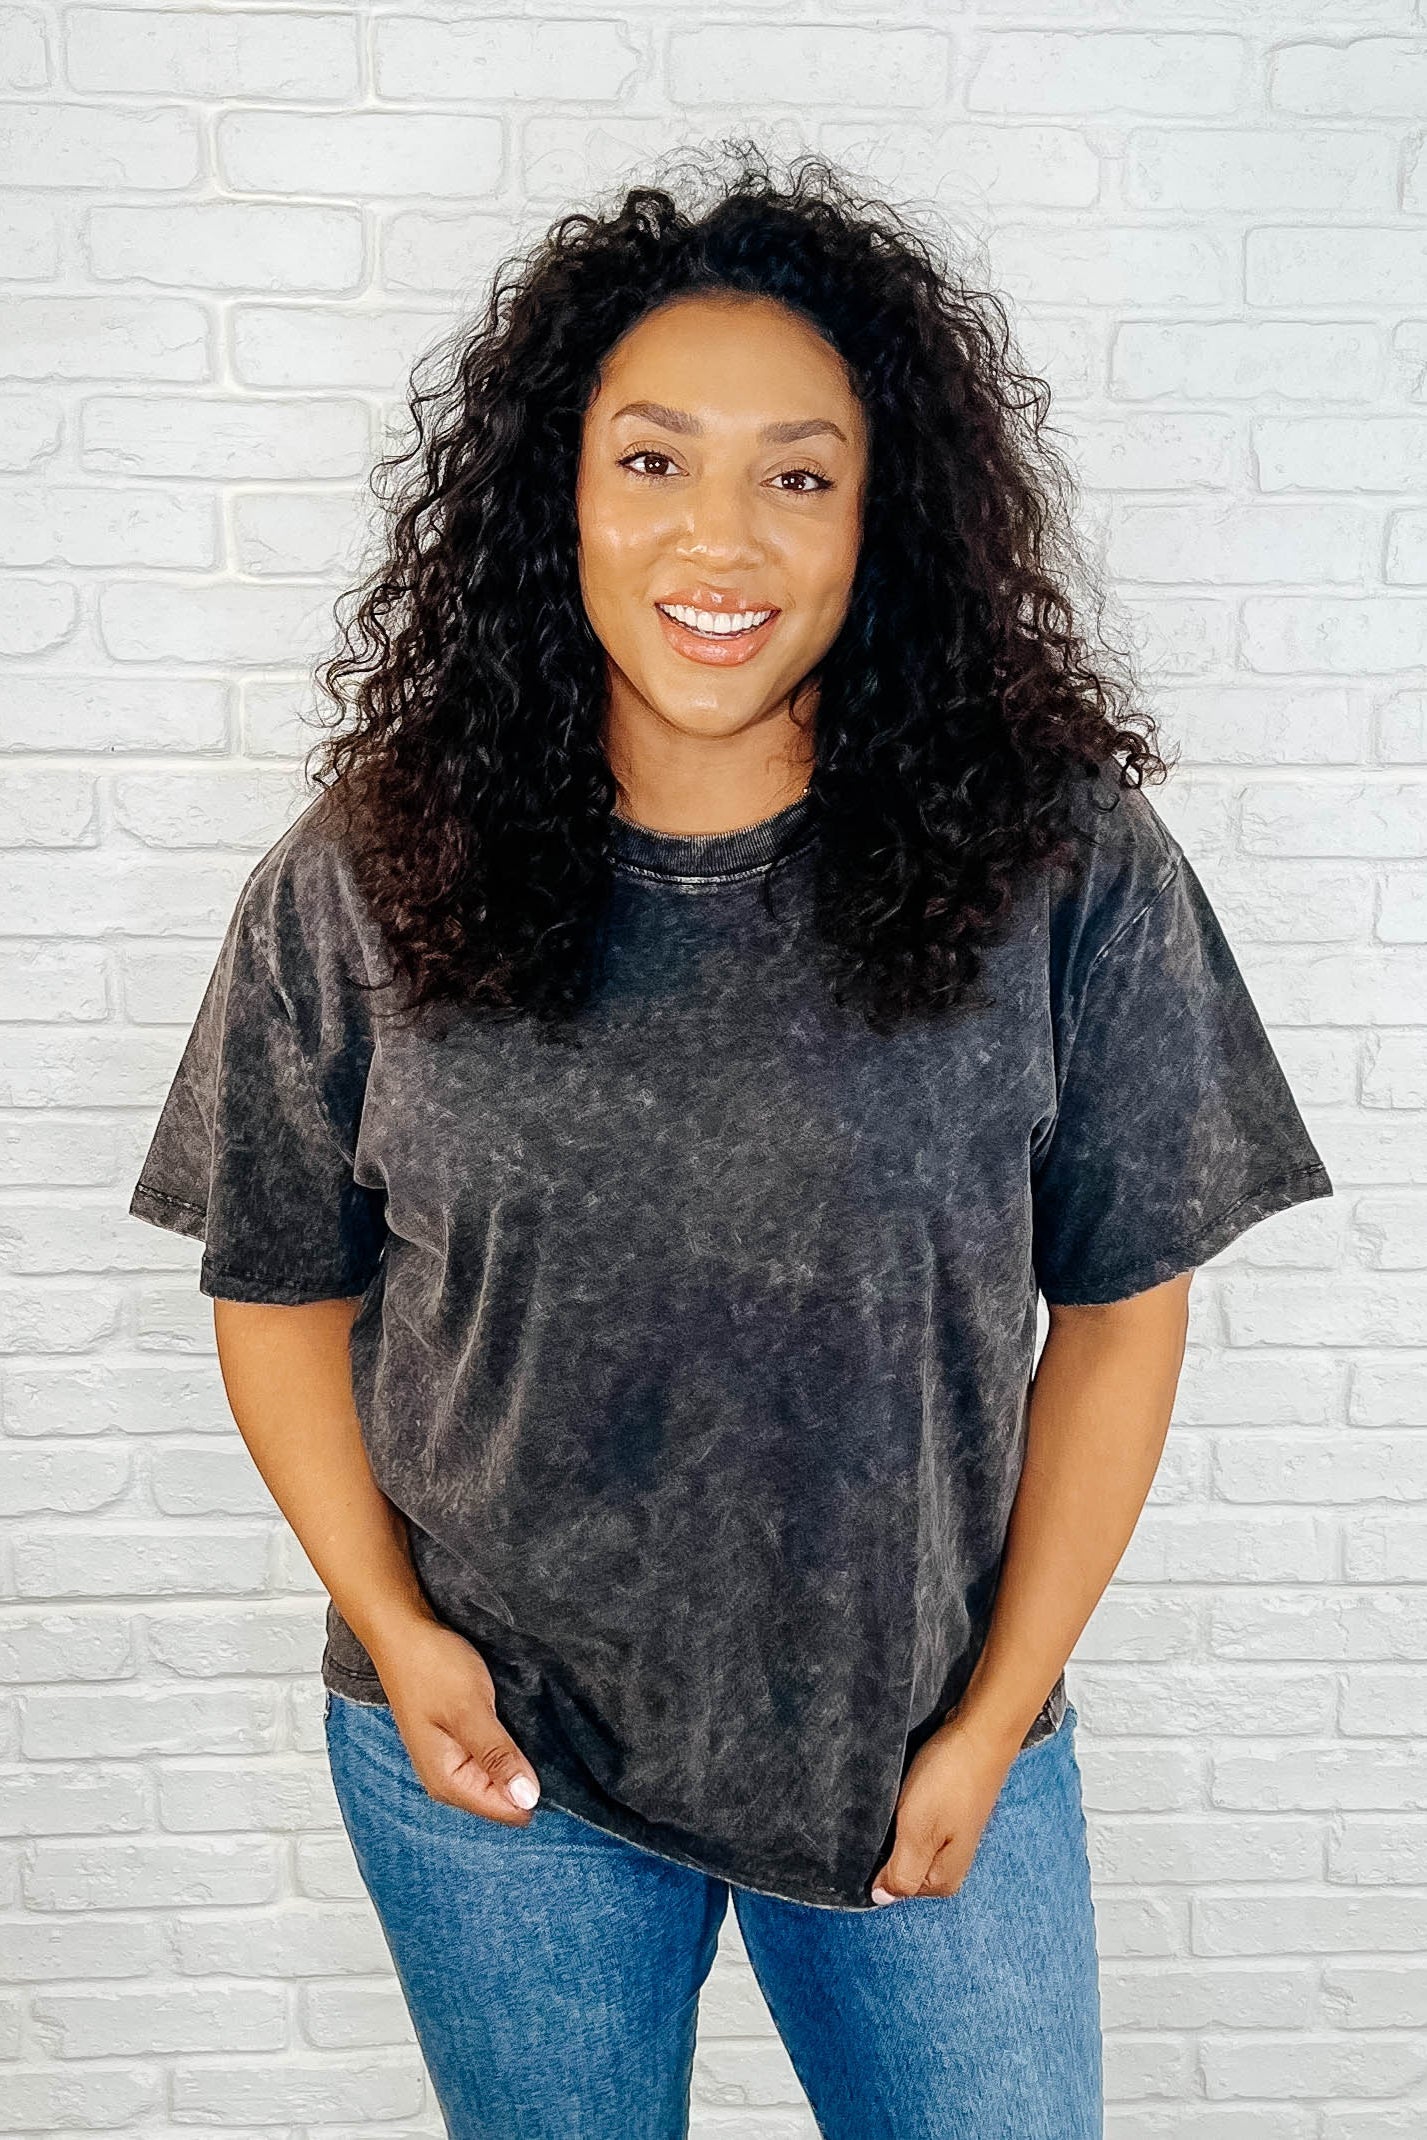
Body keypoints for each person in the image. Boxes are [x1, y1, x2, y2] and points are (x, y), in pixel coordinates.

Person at [127, 146, 1333, 2139]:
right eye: (652, 460)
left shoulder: (1063, 868)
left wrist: (998, 1713)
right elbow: (276, 1289)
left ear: (885, 517)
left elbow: (1125, 1311)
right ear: (557, 495)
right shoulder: (364, 878)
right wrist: (401, 1632)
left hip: (927, 1737)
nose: (722, 535)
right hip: (495, 1758)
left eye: (799, 474)